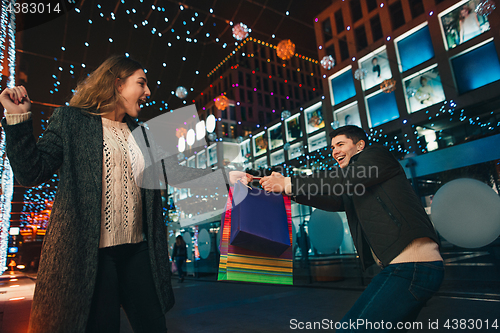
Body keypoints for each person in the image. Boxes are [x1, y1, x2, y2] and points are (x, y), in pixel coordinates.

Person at [0, 55, 223, 333]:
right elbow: (32, 173)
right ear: (118, 84)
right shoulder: (71, 121)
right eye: (141, 83)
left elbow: (174, 173)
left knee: (154, 326)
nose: (148, 92)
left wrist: (225, 177)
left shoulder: (144, 134)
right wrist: (18, 119)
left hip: (139, 252)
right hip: (94, 255)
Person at [255, 125, 444, 332]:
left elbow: (344, 179)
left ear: (360, 145)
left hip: (411, 265)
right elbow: (336, 200)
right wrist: (288, 191)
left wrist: (287, 182)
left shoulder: (377, 156)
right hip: (407, 266)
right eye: (332, 147)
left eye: (340, 144)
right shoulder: (355, 182)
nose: (334, 151)